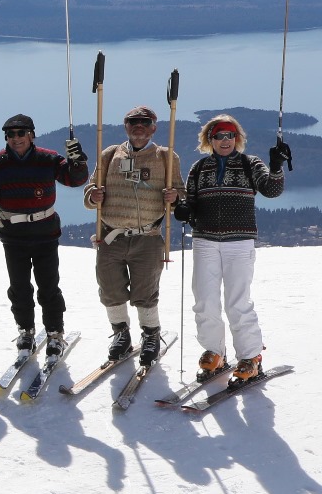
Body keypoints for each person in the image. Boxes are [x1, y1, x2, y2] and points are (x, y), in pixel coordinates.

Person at [174, 115, 288, 383]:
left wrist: (276, 166)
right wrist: (182, 209)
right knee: (204, 301)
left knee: (237, 302)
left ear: (237, 138)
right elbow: (190, 203)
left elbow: (271, 190)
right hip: (205, 241)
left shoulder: (250, 164)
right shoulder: (199, 168)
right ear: (209, 139)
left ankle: (250, 356)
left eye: (230, 135)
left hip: (239, 241)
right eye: (218, 135)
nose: (225, 140)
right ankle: (214, 352)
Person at [0, 114, 88, 357]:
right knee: (19, 288)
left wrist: (77, 160)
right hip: (13, 236)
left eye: (21, 133)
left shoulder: (48, 159)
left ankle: (55, 333)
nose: (16, 138)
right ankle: (26, 331)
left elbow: (75, 179)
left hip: (45, 233)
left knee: (48, 286)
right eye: (11, 134)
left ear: (31, 135)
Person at [84, 105, 182, 365]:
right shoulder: (109, 155)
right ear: (126, 126)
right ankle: (121, 334)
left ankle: (150, 335)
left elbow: (181, 193)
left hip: (147, 237)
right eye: (133, 121)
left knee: (145, 291)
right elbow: (91, 190)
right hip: (110, 236)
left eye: (144, 121)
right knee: (110, 289)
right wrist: (93, 196)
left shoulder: (165, 157)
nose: (139, 125)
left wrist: (176, 197)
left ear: (154, 127)